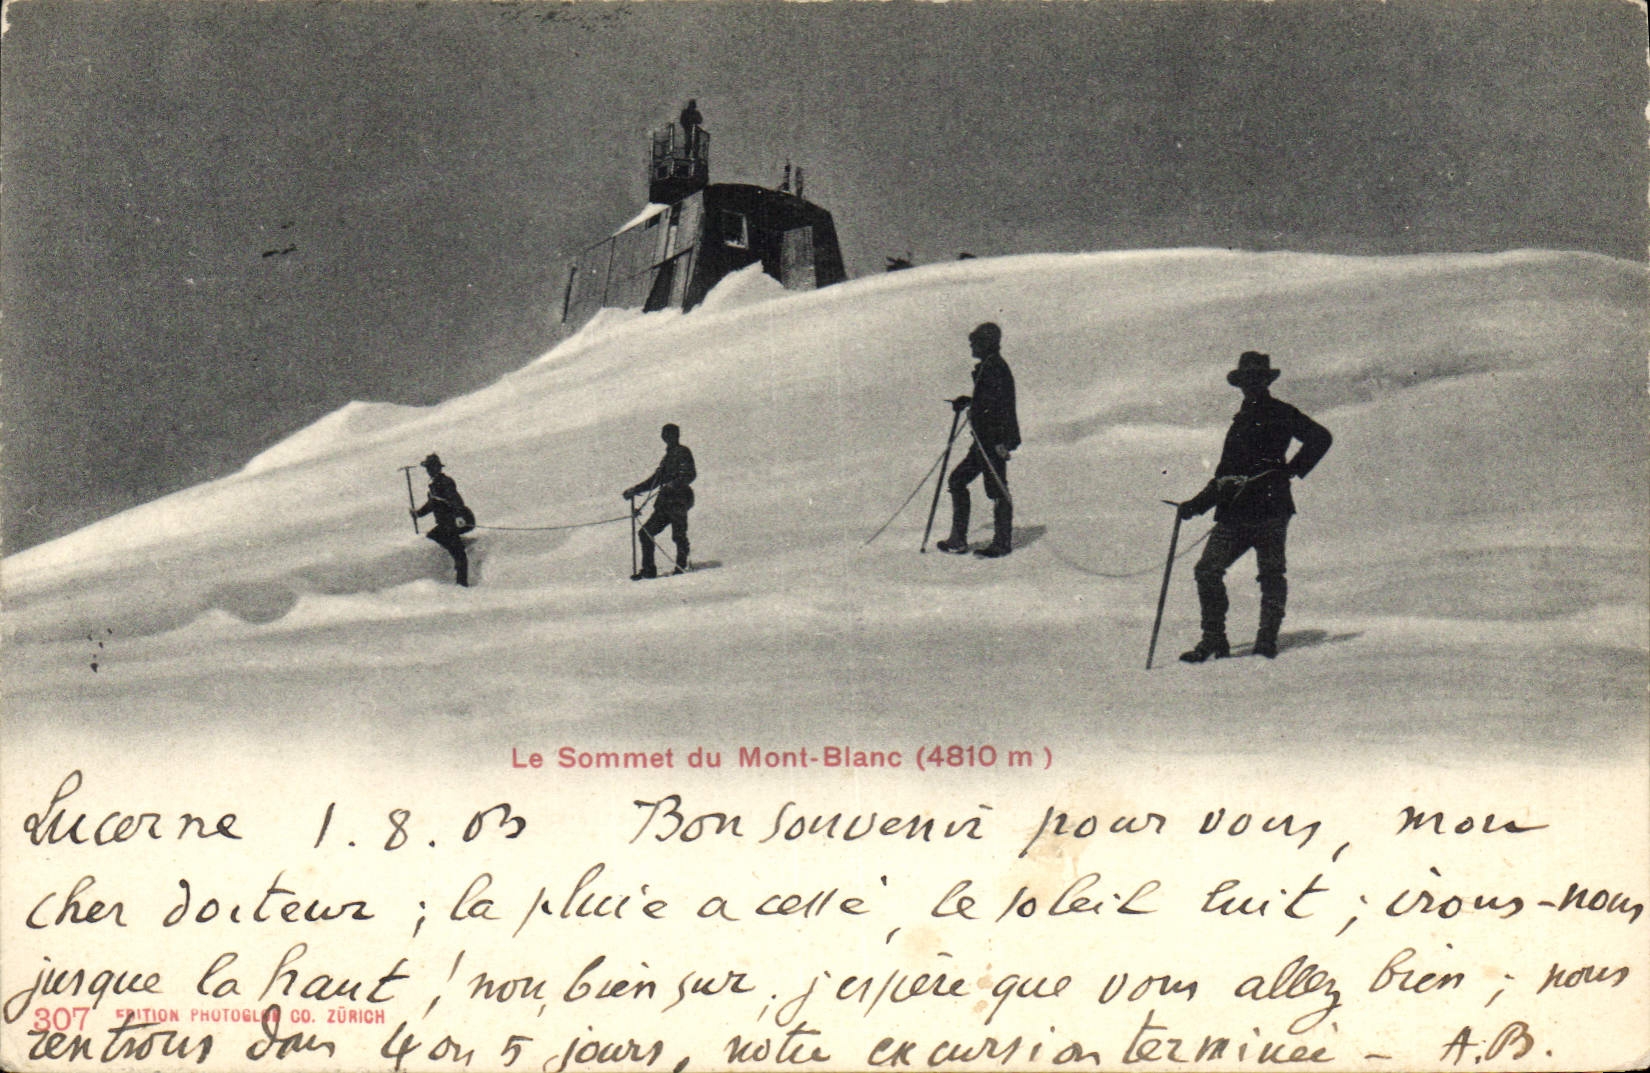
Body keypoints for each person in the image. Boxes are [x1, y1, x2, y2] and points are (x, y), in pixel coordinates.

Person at [1175, 351, 1332, 661]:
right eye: (1246, 380)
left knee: (1271, 574)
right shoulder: (1239, 420)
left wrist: (1290, 470)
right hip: (1235, 513)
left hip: (1272, 511)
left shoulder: (1282, 412)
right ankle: (1214, 640)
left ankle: (1266, 641)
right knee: (1207, 570)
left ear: (1265, 381)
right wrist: (1195, 505)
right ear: (1241, 385)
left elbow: (1320, 437)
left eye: (1256, 379)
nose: (1251, 385)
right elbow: (1225, 475)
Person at [937, 322, 1021, 558]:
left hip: (993, 442)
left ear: (987, 343)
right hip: (984, 441)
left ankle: (1002, 543)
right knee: (958, 480)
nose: (971, 346)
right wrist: (969, 402)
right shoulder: (989, 367)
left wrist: (1003, 441)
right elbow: (988, 402)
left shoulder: (995, 368)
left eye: (975, 341)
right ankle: (958, 539)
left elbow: (1001, 407)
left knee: (997, 490)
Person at [623, 423, 696, 580]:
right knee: (646, 533)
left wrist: (674, 484)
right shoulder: (667, 458)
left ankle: (681, 567)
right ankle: (649, 570)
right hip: (665, 502)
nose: (668, 438)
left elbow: (690, 475)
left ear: (676, 436)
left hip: (679, 500)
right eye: (666, 435)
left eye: (671, 435)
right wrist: (635, 490)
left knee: (678, 535)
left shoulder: (683, 452)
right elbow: (655, 481)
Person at [412, 453, 476, 586]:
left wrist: (458, 516)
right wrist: (418, 514)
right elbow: (432, 504)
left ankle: (462, 583)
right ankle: (460, 544)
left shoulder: (445, 482)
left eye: (432, 467)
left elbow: (455, 499)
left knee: (458, 553)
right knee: (433, 535)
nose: (429, 471)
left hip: (454, 521)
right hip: (446, 523)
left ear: (438, 468)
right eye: (428, 468)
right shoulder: (434, 485)